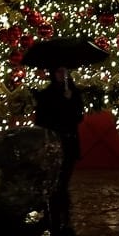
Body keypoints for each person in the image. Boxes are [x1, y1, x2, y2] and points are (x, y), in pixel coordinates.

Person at [32, 66, 84, 218]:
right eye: (58, 71)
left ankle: (62, 213)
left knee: (64, 180)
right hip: (53, 141)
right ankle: (53, 213)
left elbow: (79, 117)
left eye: (65, 71)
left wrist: (71, 101)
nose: (62, 75)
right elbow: (41, 120)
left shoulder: (73, 92)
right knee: (53, 180)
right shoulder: (47, 94)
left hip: (69, 141)